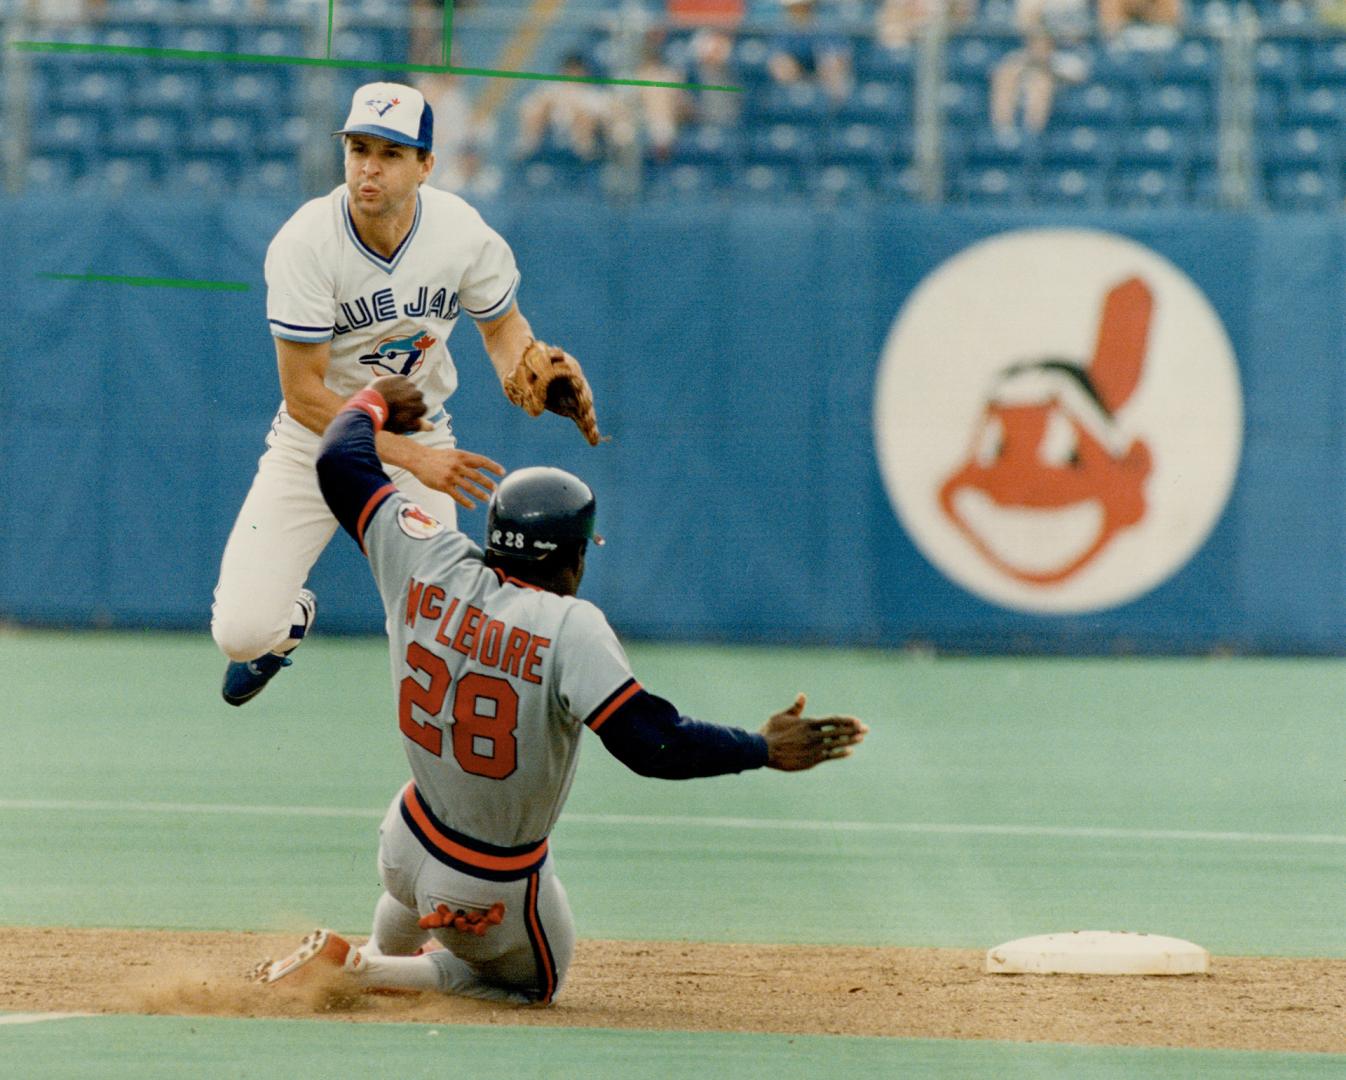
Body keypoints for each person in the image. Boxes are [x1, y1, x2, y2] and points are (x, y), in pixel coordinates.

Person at [249, 376, 868, 1004]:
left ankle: (381, 948)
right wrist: (759, 747)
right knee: (535, 986)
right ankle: (360, 969)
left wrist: (373, 399)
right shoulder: (572, 627)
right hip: (487, 881)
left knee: (412, 882)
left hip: (405, 838)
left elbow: (335, 457)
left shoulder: (426, 558)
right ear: (572, 558)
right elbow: (652, 746)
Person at [212, 81, 599, 707]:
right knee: (240, 633)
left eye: (391, 153)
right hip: (315, 441)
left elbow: (502, 327)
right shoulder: (306, 243)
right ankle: (286, 627)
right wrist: (415, 459)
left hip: (419, 432)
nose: (369, 166)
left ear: (426, 165)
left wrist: (523, 367)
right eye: (359, 147)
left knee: (436, 637)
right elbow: (305, 393)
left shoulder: (459, 232)